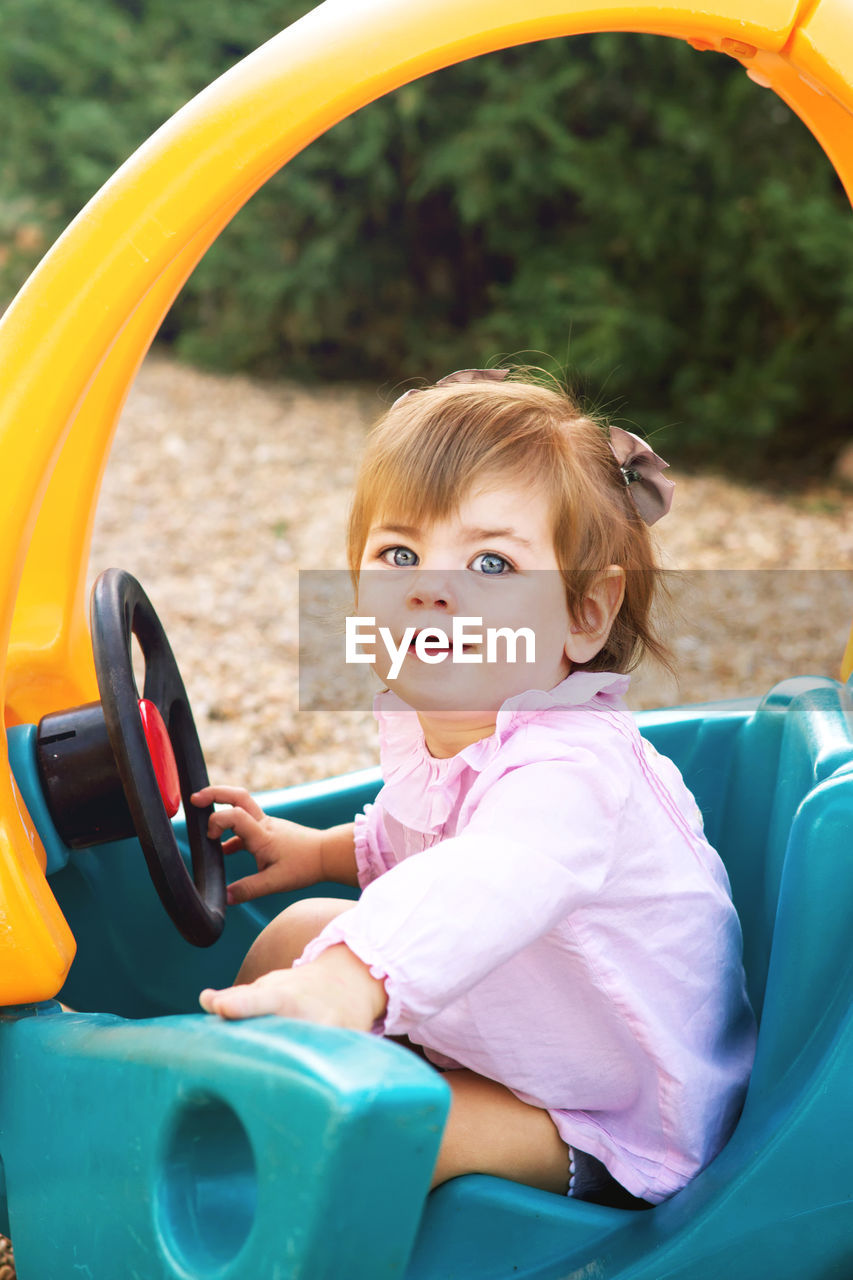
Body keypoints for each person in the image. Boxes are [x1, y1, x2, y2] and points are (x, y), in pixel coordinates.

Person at [193, 369, 756, 1207]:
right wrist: (316, 852)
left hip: (605, 1104)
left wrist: (348, 983)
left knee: (396, 1125)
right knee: (299, 931)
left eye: (490, 561)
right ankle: (201, 1130)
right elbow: (427, 837)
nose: (430, 586)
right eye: (398, 553)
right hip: (513, 1020)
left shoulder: (573, 769)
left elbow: (490, 872)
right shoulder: (449, 729)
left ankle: (255, 1202)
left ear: (583, 615)